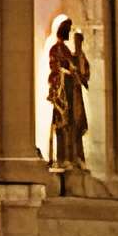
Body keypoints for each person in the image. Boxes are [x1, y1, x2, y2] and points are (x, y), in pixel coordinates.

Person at [46, 14, 90, 167]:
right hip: (61, 94)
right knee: (62, 125)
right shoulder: (56, 49)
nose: (69, 33)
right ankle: (62, 158)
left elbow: (79, 68)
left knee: (72, 125)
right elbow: (55, 68)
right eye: (68, 30)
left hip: (71, 93)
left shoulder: (66, 50)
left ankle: (72, 157)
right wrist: (68, 70)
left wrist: (76, 67)